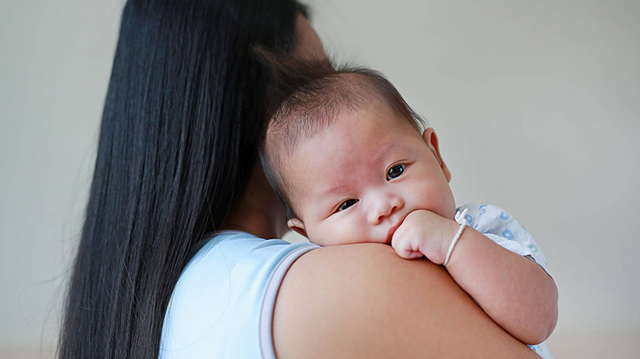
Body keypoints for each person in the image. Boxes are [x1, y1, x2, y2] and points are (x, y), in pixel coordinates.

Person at [58, 0, 547, 358]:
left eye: (395, 171)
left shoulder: (151, 309)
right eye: (312, 84)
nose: (383, 207)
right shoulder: (348, 283)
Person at [261, 63, 558, 357]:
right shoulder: (330, 294)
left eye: (395, 170)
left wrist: (451, 243)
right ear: (306, 233)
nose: (383, 206)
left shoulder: (479, 227)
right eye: (346, 204)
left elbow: (540, 318)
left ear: (436, 156)